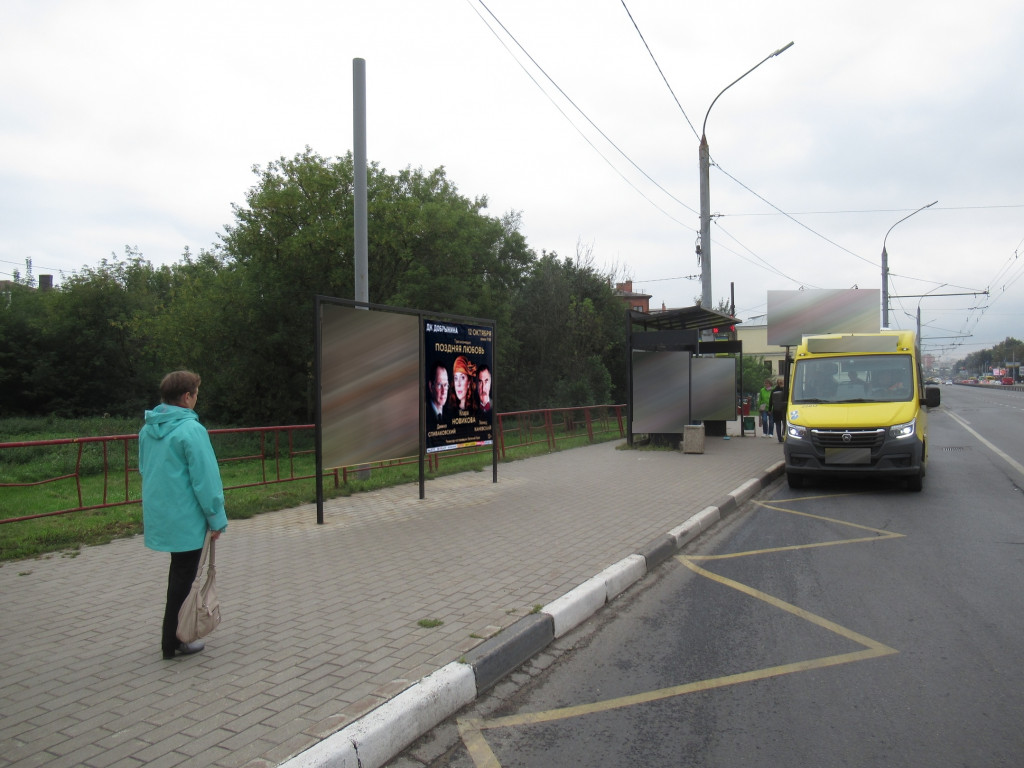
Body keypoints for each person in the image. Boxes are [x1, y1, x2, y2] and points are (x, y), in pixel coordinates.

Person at [139, 371, 228, 660]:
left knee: (179, 573)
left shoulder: (147, 430)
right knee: (184, 578)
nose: (197, 398)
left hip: (162, 513)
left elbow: (145, 469)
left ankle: (173, 638)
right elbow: (206, 480)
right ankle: (175, 639)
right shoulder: (192, 430)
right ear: (187, 397)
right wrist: (216, 518)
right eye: (196, 393)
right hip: (188, 516)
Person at [426, 361, 452, 429]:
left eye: (446, 385)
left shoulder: (450, 415)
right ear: (431, 386)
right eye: (440, 385)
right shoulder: (425, 415)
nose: (444, 391)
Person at [770, 378, 787, 442]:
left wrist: (769, 409)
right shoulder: (786, 390)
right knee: (784, 423)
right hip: (784, 409)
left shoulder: (774, 390)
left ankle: (779, 438)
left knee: (778, 424)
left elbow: (771, 401)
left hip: (776, 409)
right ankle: (783, 435)